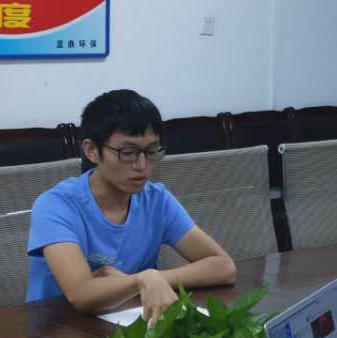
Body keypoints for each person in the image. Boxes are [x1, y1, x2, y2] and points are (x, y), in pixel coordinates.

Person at [26, 89, 236, 320]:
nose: (142, 165)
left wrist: (153, 279)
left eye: (151, 151)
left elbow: (223, 266)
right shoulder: (56, 205)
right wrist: (140, 281)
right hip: (57, 329)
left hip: (128, 323)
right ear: (92, 150)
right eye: (128, 153)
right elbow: (80, 293)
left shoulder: (156, 200)